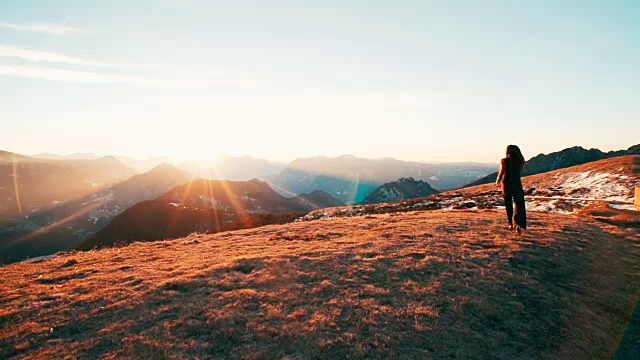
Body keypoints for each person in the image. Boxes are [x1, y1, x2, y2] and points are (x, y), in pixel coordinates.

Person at [496, 145, 527, 235]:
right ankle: (519, 224)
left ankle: (510, 223)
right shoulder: (520, 161)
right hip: (517, 184)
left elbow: (502, 171)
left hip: (506, 184)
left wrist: (498, 179)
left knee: (508, 203)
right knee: (519, 204)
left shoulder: (504, 161)